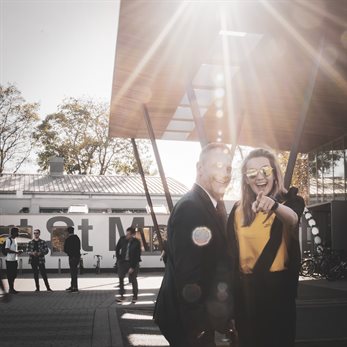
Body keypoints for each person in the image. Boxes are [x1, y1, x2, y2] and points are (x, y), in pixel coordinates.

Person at [154, 142, 235, 347]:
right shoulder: (192, 208)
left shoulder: (209, 205)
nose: (224, 173)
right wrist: (201, 329)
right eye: (217, 165)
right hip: (190, 325)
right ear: (199, 168)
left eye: (228, 168)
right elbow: (189, 276)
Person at [227, 148, 305, 347]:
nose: (259, 177)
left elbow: (293, 219)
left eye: (265, 170)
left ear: (275, 173)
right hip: (246, 294)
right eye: (252, 172)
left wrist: (274, 205)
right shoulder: (237, 210)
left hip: (278, 292)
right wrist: (230, 309)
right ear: (245, 179)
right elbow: (230, 261)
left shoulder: (291, 201)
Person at [115, 226, 142, 303]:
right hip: (123, 262)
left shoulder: (137, 242)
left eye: (128, 234)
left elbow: (137, 255)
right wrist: (119, 259)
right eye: (126, 233)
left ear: (133, 235)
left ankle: (135, 296)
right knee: (120, 277)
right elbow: (117, 248)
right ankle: (122, 296)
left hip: (133, 263)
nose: (127, 235)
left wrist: (132, 267)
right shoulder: (122, 239)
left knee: (133, 280)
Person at [5, 227, 23, 294]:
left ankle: (12, 288)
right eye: (17, 232)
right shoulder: (9, 240)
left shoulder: (15, 240)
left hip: (15, 260)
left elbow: (13, 250)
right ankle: (11, 289)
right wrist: (16, 252)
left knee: (14, 275)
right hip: (9, 260)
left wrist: (18, 251)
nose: (18, 233)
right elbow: (7, 249)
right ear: (14, 232)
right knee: (10, 275)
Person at [63, 226, 81, 293]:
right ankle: (73, 286)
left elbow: (65, 249)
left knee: (72, 272)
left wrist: (70, 253)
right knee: (74, 272)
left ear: (68, 232)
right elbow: (79, 248)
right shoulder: (77, 238)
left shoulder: (68, 239)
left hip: (71, 257)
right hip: (77, 257)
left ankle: (74, 287)